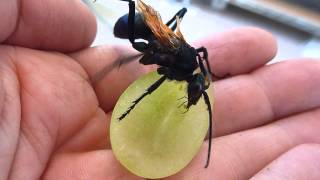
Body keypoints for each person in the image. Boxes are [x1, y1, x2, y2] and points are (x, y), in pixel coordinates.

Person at [1, 1, 320, 180]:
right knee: (139, 59)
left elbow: (200, 53)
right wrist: (128, 108)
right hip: (137, 29)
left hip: (168, 44)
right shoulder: (182, 61)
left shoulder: (192, 60)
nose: (194, 96)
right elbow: (165, 68)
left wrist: (208, 78)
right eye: (198, 91)